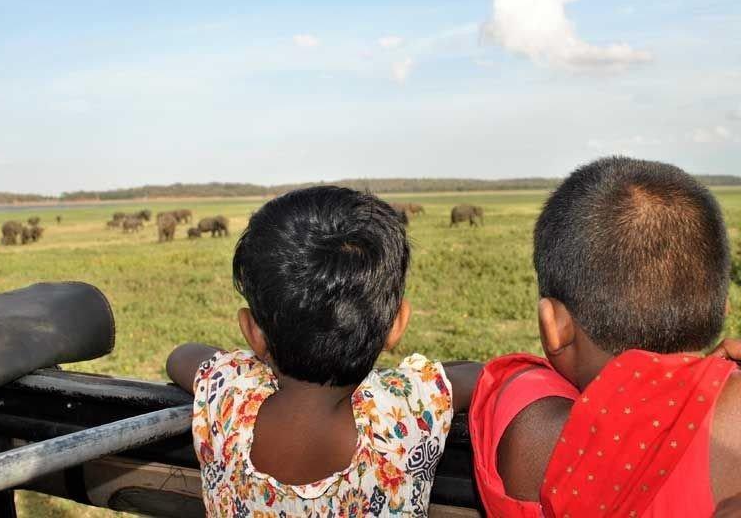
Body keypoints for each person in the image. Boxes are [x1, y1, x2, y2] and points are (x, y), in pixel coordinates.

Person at [166, 186, 480, 516]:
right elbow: (475, 374)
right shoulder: (409, 404)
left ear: (252, 331)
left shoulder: (228, 394)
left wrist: (247, 364)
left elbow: (181, 357)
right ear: (396, 324)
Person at [469, 157, 741, 517]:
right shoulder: (732, 416)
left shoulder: (524, 413)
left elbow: (510, 380)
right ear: (723, 306)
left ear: (554, 326)